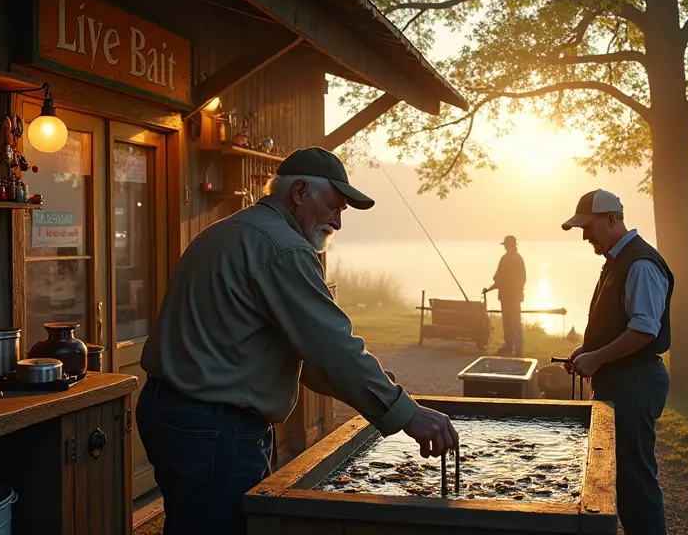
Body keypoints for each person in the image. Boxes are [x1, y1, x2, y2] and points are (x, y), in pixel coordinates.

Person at [137, 147, 460, 535]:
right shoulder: (283, 248)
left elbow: (303, 359)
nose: (338, 222)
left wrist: (374, 386)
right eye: (334, 206)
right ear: (300, 191)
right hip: (215, 427)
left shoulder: (230, 231)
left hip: (173, 413)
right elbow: (332, 346)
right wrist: (408, 413)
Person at [560, 189, 673, 535]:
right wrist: (586, 350)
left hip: (636, 381)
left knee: (634, 480)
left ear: (610, 220)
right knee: (619, 474)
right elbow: (619, 324)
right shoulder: (617, 261)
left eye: (588, 227)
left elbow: (643, 331)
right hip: (624, 379)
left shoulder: (640, 263)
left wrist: (597, 357)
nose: (584, 236)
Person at [482, 235, 526, 356]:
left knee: (513, 323)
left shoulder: (508, 259)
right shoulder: (516, 259)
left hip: (509, 296)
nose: (505, 247)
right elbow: (520, 279)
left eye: (506, 245)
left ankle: (516, 349)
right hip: (511, 296)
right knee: (510, 322)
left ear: (510, 245)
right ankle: (512, 347)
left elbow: (498, 278)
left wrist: (492, 286)